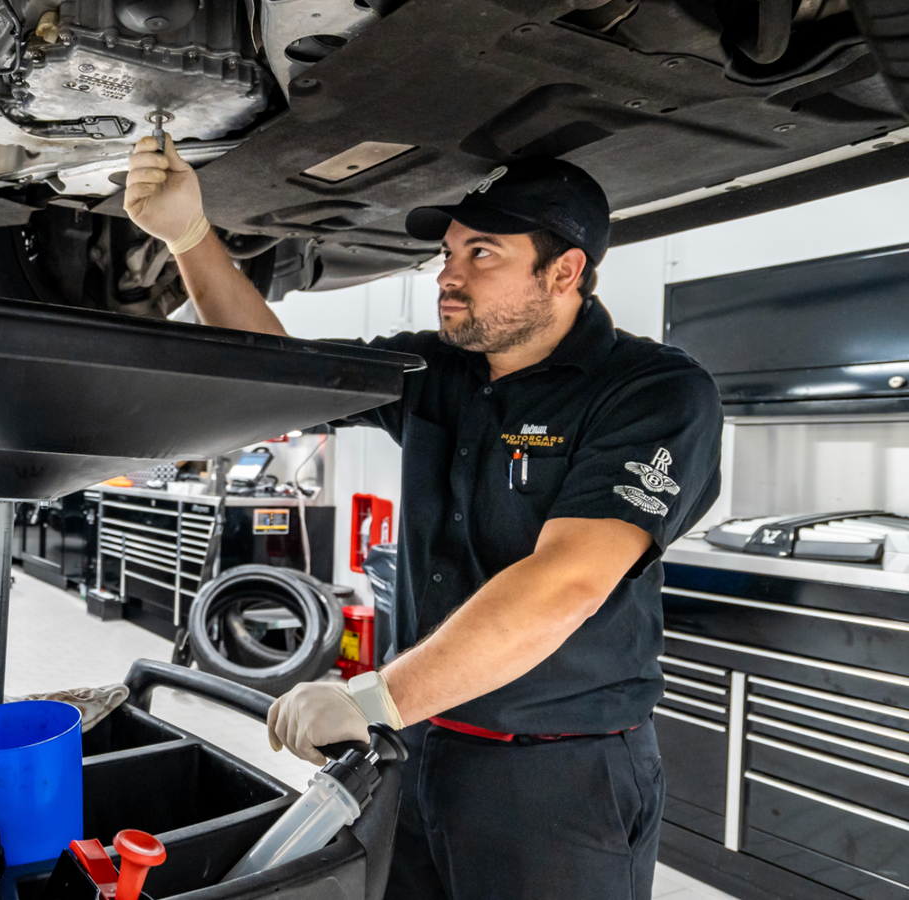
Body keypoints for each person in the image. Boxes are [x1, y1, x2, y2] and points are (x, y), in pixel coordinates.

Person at [124, 139, 724, 899]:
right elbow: (272, 367)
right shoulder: (433, 371)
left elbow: (566, 582)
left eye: (482, 254)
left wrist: (370, 697)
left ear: (564, 271)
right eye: (448, 253)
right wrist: (188, 236)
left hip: (559, 778)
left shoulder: (652, 391)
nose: (450, 275)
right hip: (417, 748)